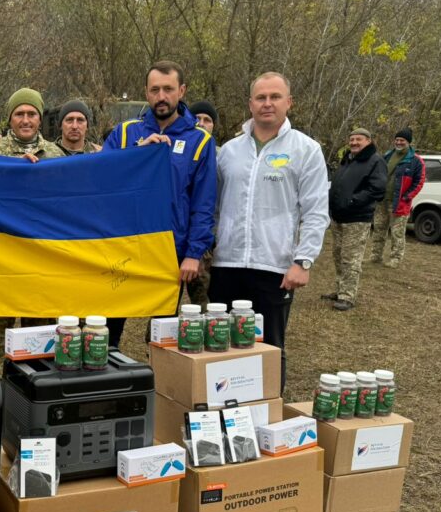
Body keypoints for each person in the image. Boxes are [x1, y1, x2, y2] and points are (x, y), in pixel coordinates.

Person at [209, 71, 329, 387]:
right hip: (227, 265)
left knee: (269, 348)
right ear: (250, 104)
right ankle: (223, 415)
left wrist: (303, 261)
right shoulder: (228, 151)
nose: (267, 104)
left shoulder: (306, 149)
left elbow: (316, 211)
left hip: (274, 268)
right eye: (260, 97)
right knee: (220, 346)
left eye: (275, 97)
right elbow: (215, 206)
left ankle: (267, 416)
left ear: (288, 102)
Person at [102, 61, 217, 348]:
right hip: (124, 247)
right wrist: (136, 156)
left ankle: (160, 387)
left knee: (162, 335)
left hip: (169, 251)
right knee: (108, 328)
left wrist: (193, 254)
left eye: (168, 89)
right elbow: (101, 181)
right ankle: (104, 386)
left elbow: (203, 204)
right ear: (146, 92)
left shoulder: (200, 141)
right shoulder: (125, 133)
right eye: (155, 90)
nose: (161, 96)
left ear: (181, 91)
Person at [0, 89, 63, 363]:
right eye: (19, 114)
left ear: (40, 118)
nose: (26, 120)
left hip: (40, 256)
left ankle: (34, 389)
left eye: (31, 114)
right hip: (1, 255)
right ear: (10, 119)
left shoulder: (56, 154)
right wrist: (12, 170)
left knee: (38, 335)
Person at [323, 128, 387, 311]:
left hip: (357, 218)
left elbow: (377, 189)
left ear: (368, 141)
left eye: (359, 139)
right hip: (338, 217)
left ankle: (347, 296)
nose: (354, 143)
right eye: (351, 139)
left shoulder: (376, 161)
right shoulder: (348, 159)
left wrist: (353, 201)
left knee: (351, 258)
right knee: (338, 254)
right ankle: (339, 289)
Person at [183, 99, 219, 309]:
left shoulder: (223, 155)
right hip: (180, 235)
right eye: (197, 118)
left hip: (209, 242)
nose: (202, 123)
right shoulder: (180, 151)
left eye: (207, 120)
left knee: (204, 303)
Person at [371, 127, 425, 268]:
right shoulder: (388, 155)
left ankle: (395, 258)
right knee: (379, 229)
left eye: (402, 140)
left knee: (397, 233)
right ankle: (375, 256)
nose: (399, 142)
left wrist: (407, 196)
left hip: (400, 203)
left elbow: (419, 182)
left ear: (408, 142)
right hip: (382, 200)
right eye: (397, 140)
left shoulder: (416, 161)